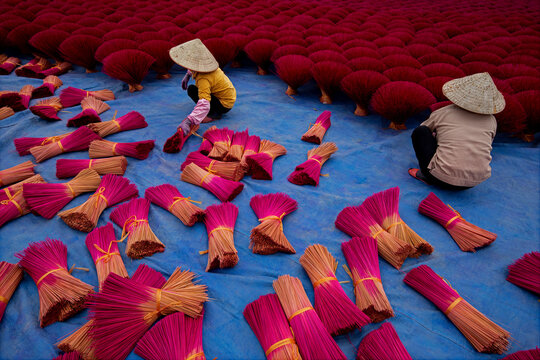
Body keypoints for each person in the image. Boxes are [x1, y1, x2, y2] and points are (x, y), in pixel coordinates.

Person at [408, 72, 505, 189]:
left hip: (439, 177)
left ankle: (425, 174)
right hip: (473, 182)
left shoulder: (444, 112)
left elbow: (424, 130)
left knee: (421, 132)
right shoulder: (491, 120)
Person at [164, 39, 236, 151]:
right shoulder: (207, 67)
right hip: (227, 96)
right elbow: (194, 66)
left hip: (224, 104)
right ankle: (213, 111)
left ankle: (214, 114)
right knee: (192, 89)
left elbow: (204, 102)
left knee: (193, 91)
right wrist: (188, 75)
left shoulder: (204, 78)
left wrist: (189, 121)